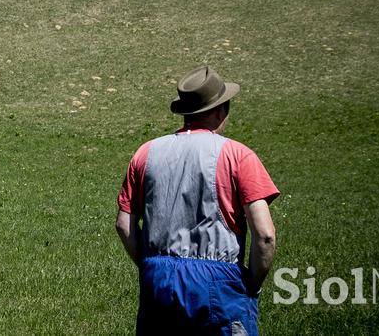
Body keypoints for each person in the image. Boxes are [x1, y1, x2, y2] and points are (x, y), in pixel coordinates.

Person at [116, 65, 279, 336]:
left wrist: (150, 265)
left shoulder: (146, 153)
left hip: (158, 278)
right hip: (217, 280)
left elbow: (124, 225)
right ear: (219, 110)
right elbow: (265, 236)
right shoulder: (238, 155)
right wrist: (252, 283)